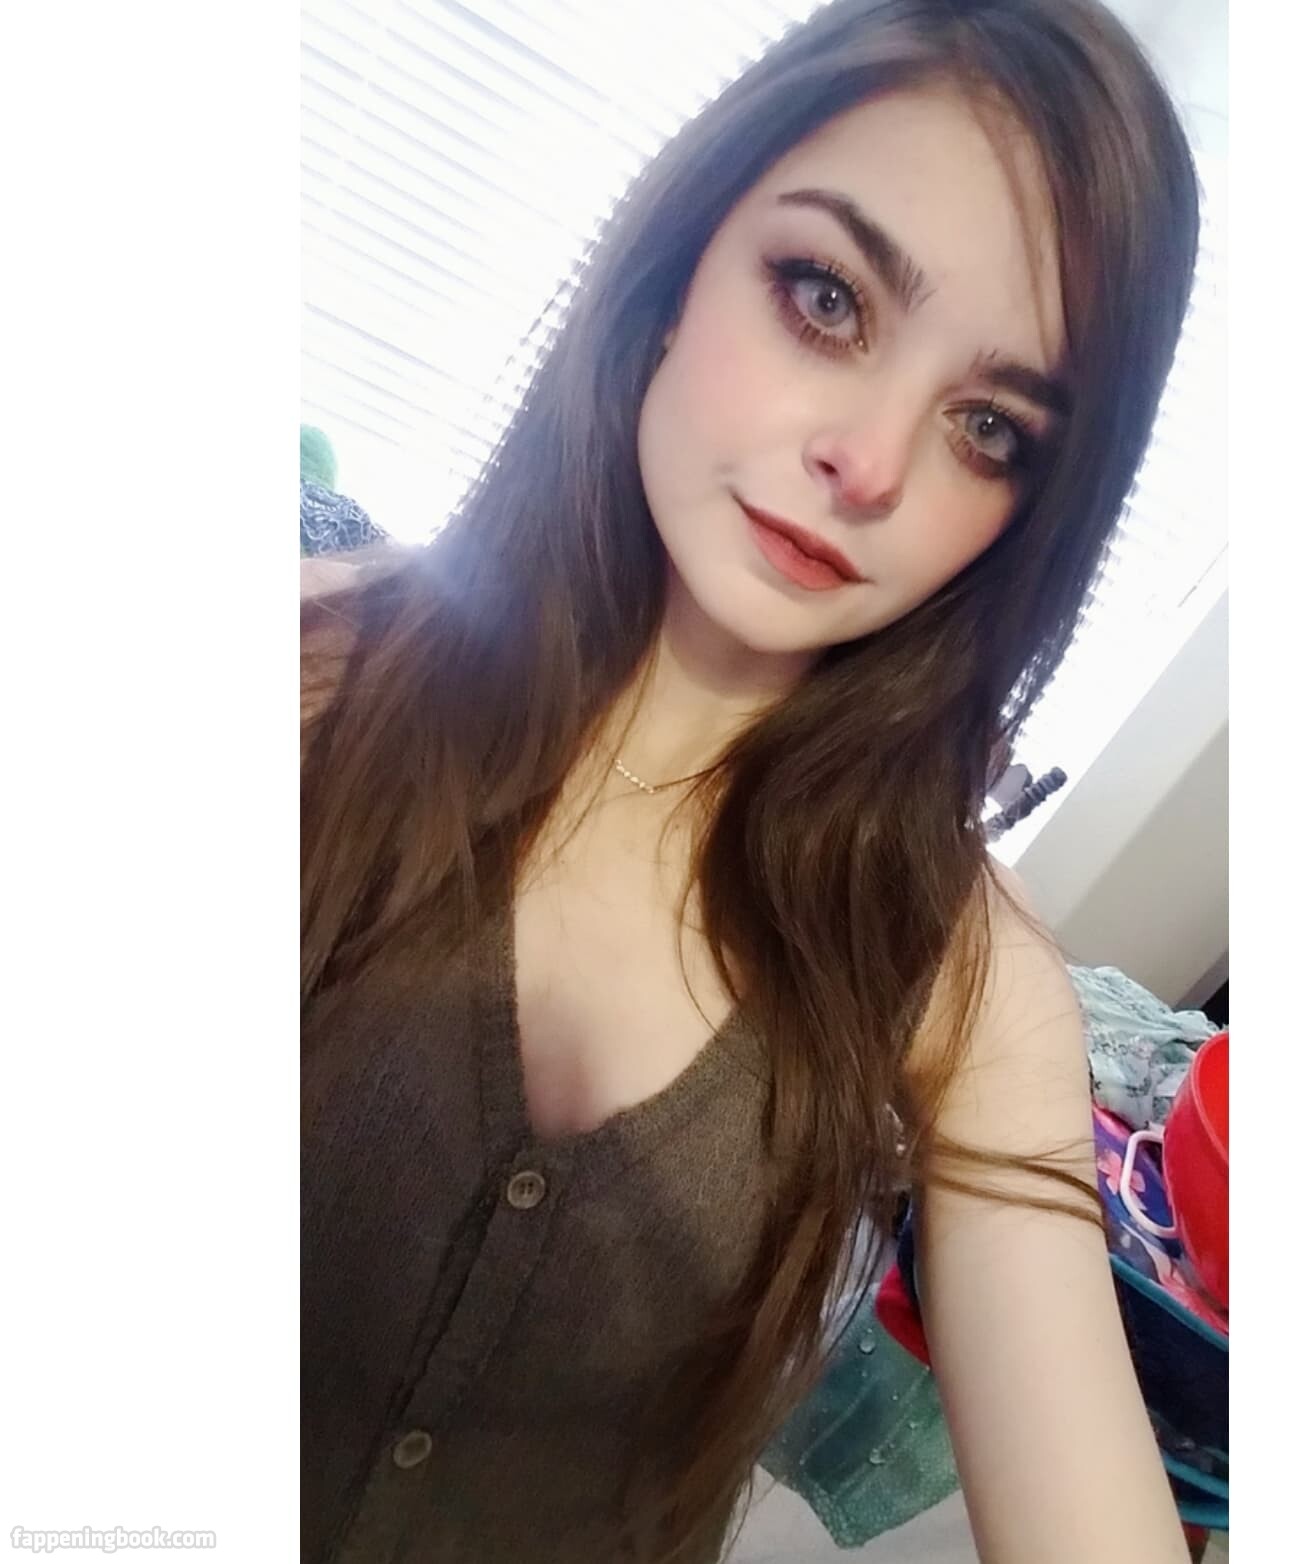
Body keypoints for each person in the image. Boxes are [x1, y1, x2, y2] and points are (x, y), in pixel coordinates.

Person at [301, 1, 1203, 1559]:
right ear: (681, 265)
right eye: (825, 297)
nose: (872, 462)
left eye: (988, 428)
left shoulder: (966, 981)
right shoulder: (314, 675)